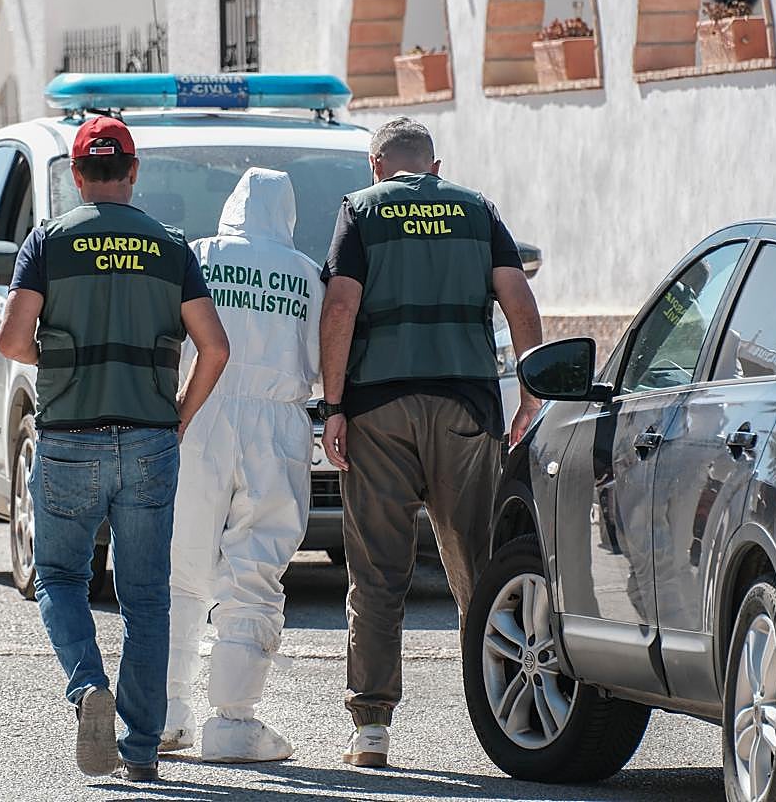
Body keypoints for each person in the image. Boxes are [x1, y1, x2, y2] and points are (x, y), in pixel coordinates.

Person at [0, 116, 230, 782]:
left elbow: (11, 341)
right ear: (132, 172)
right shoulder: (171, 246)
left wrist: (58, 364)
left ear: (76, 176)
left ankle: (85, 686)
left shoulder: (48, 242)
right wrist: (178, 418)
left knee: (61, 577)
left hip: (70, 435)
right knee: (147, 597)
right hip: (151, 437)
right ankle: (142, 749)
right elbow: (215, 347)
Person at [317, 117, 543, 768]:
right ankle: (506, 713)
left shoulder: (361, 211)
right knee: (480, 565)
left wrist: (334, 407)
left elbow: (340, 309)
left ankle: (371, 728)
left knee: (378, 572)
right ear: (435, 166)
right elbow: (517, 301)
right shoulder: (478, 210)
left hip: (379, 409)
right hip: (466, 408)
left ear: (376, 165)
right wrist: (532, 391)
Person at [160, 168, 323, 763]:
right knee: (255, 570)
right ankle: (232, 722)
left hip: (199, 409)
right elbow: (324, 361)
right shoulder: (307, 274)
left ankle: (166, 712)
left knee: (180, 568)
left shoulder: (200, 254)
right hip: (276, 424)